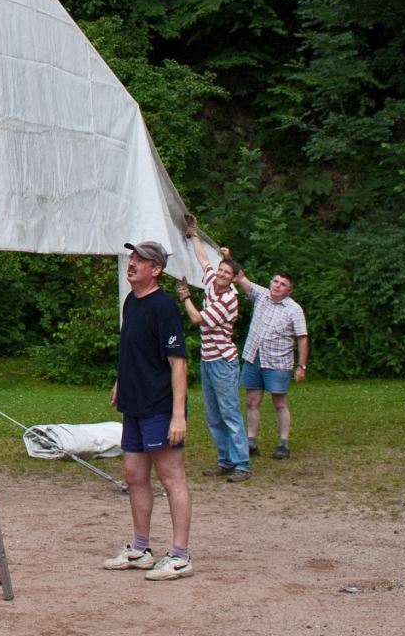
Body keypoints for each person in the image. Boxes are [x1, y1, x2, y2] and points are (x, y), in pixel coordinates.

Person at [102, 239, 193, 581]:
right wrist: (119, 381)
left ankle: (181, 556)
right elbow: (133, 349)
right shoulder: (131, 302)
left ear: (156, 270)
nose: (132, 263)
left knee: (171, 478)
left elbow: (178, 363)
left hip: (159, 406)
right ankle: (140, 549)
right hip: (134, 405)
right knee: (134, 475)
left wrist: (178, 414)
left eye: (141, 259)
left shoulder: (163, 307)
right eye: (132, 257)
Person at [175, 221, 249, 482]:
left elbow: (197, 319)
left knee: (229, 412)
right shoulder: (211, 282)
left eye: (226, 274)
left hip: (223, 361)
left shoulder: (229, 299)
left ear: (233, 279)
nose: (220, 275)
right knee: (213, 414)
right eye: (220, 271)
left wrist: (185, 297)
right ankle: (225, 461)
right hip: (208, 359)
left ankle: (241, 464)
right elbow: (203, 259)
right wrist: (195, 236)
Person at [233, 256, 308, 461]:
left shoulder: (294, 309)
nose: (277, 286)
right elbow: (240, 276)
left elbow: (302, 339)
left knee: (279, 403)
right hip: (254, 356)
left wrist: (301, 365)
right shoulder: (261, 296)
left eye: (282, 285)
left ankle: (283, 443)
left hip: (278, 362)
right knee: (252, 400)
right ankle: (251, 442)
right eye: (275, 281)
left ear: (289, 291)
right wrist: (228, 257)